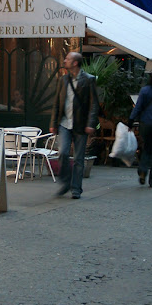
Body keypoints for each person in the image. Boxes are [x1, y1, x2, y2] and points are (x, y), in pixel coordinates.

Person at [49, 51, 100, 199]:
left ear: (75, 63)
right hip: (65, 123)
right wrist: (53, 123)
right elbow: (57, 103)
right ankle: (66, 182)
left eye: (68, 59)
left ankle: (76, 188)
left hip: (81, 124)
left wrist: (90, 124)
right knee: (63, 153)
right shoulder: (63, 80)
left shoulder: (89, 80)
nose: (65, 60)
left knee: (78, 158)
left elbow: (93, 104)